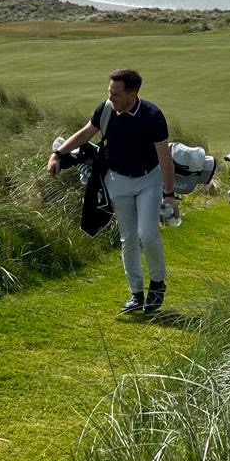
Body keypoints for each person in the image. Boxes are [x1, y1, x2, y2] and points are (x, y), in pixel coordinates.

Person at [47, 68, 176, 314]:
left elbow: (165, 159)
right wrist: (58, 154)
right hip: (117, 180)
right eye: (109, 92)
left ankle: (157, 284)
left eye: (116, 94)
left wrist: (169, 196)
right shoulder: (106, 109)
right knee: (128, 238)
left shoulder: (152, 115)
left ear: (132, 95)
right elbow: (85, 134)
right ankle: (136, 294)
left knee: (147, 234)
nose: (110, 97)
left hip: (149, 180)